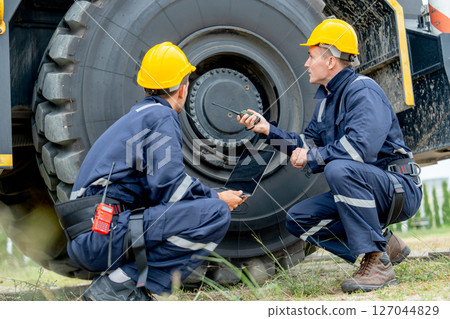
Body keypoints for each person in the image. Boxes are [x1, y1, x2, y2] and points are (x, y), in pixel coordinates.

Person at [237, 19, 422, 293]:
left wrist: (311, 158)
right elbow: (307, 143)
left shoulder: (363, 91)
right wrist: (268, 131)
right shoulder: (327, 101)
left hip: (398, 187)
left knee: (338, 169)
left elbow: (359, 150)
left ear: (331, 60)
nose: (306, 64)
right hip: (370, 186)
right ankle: (384, 246)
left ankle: (377, 262)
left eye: (311, 57)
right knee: (298, 218)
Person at [57, 42, 245, 300]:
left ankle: (127, 286)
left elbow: (160, 189)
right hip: (102, 233)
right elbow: (170, 188)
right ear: (183, 88)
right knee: (215, 214)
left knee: (206, 207)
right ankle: (120, 286)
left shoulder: (140, 116)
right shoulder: (162, 117)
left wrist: (209, 194)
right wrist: (216, 198)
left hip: (93, 232)